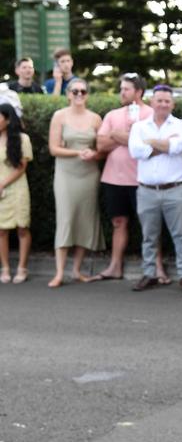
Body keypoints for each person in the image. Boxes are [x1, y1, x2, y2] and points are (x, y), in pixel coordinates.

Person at [93, 74, 168, 283]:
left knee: (150, 226)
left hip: (143, 180)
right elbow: (100, 145)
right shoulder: (112, 115)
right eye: (121, 88)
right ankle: (115, 266)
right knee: (118, 222)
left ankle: (158, 268)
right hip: (113, 179)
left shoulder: (152, 113)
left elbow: (156, 144)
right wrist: (132, 138)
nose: (121, 92)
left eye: (126, 89)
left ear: (138, 92)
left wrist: (119, 135)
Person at [128, 84, 182, 292]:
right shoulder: (139, 127)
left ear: (172, 103)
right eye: (159, 100)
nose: (163, 104)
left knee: (181, 235)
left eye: (167, 101)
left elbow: (179, 147)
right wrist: (165, 144)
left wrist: (151, 144)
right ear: (151, 102)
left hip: (175, 189)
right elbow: (136, 151)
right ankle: (149, 274)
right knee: (149, 236)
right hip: (147, 190)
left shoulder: (181, 125)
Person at [48, 78, 105, 287]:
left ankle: (77, 270)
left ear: (87, 94)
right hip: (66, 175)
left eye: (83, 91)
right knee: (65, 218)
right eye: (75, 91)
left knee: (85, 220)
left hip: (89, 175)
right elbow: (54, 148)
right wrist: (77, 152)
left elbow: (101, 151)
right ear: (68, 94)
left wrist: (94, 153)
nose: (79, 94)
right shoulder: (59, 116)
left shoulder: (95, 119)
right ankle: (59, 272)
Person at [0, 103, 33, 284]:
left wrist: (3, 184)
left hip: (17, 188)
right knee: (1, 231)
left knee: (22, 228)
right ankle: (5, 268)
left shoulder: (22, 139)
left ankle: (22, 267)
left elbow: (22, 167)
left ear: (7, 119)